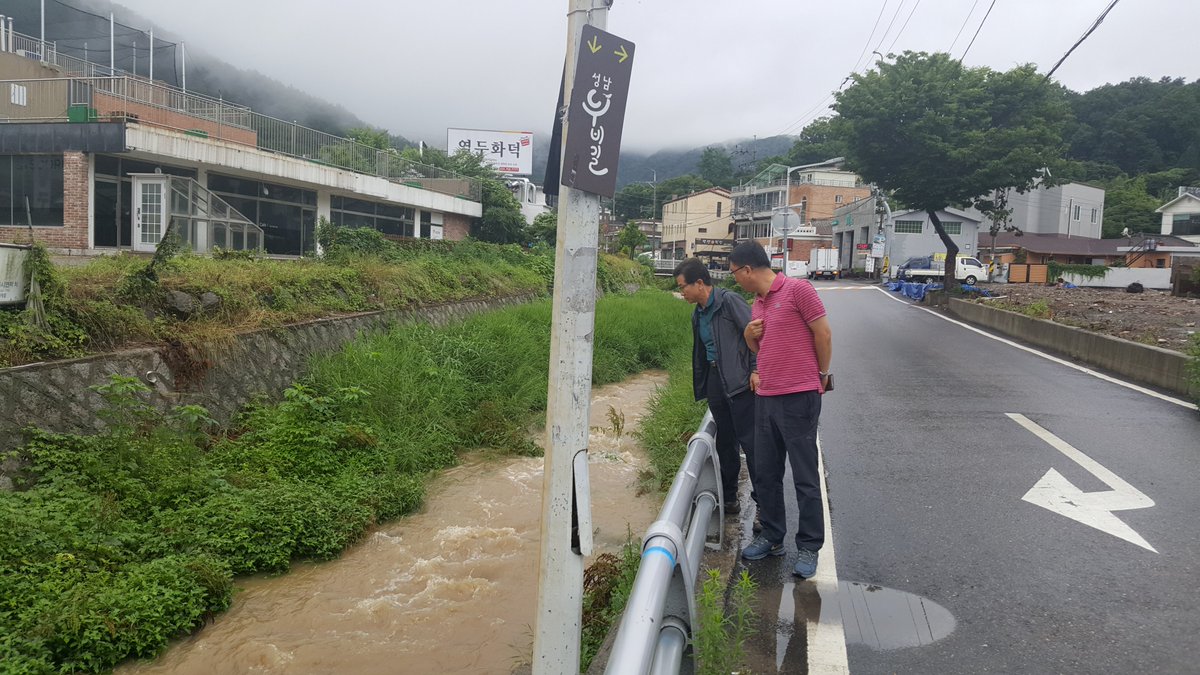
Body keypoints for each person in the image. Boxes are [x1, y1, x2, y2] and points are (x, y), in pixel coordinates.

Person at [728, 241, 833, 580]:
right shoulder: (757, 304)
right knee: (767, 473)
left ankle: (809, 545)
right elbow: (762, 348)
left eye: (734, 273)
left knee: (804, 477)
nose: (735, 280)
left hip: (799, 398)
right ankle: (772, 536)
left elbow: (824, 334)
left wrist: (819, 376)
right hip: (767, 398)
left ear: (747, 270)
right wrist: (747, 336)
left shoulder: (798, 290)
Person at [673, 257, 758, 519]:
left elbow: (756, 334)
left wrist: (756, 370)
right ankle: (729, 498)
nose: (681, 292)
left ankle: (763, 507)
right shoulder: (697, 314)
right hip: (715, 380)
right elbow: (702, 352)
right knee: (725, 442)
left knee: (752, 444)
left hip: (740, 382)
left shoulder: (729, 302)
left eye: (683, 286)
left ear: (700, 283)